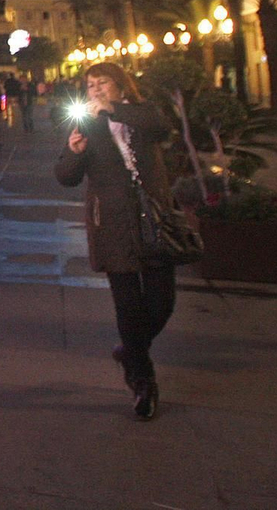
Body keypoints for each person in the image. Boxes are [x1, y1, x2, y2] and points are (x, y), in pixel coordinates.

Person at [55, 62, 174, 419]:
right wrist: (74, 152)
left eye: (102, 83)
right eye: (90, 85)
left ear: (121, 86)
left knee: (162, 300)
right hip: (111, 224)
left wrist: (115, 110)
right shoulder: (86, 125)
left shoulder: (141, 113)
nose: (95, 90)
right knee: (128, 304)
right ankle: (142, 379)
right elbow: (65, 177)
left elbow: (161, 127)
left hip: (153, 221)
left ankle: (130, 350)